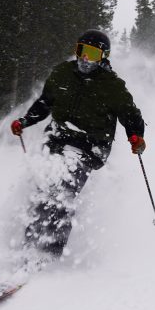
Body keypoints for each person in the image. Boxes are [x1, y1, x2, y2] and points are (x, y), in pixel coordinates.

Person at [10, 29, 146, 260]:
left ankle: (50, 251)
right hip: (57, 137)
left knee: (63, 189)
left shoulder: (112, 86)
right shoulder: (63, 73)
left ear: (103, 57)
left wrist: (136, 136)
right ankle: (30, 243)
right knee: (43, 185)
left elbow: (130, 115)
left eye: (92, 54)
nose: (85, 58)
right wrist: (25, 121)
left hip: (90, 146)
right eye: (81, 51)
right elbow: (45, 103)